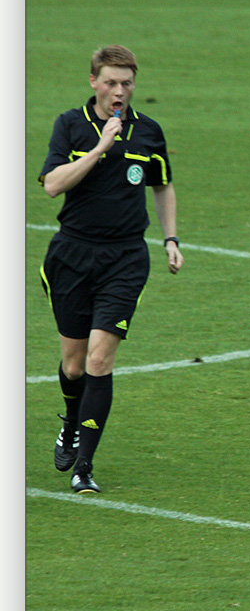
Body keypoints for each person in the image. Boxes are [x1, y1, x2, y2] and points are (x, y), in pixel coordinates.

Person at [39, 45, 184, 493]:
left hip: (124, 258)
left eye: (127, 83)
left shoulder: (148, 132)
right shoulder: (70, 125)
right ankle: (70, 421)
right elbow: (51, 185)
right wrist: (100, 147)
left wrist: (171, 238)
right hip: (72, 256)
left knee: (101, 358)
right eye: (111, 82)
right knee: (75, 363)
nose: (119, 91)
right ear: (93, 82)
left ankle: (84, 466)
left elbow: (162, 185)